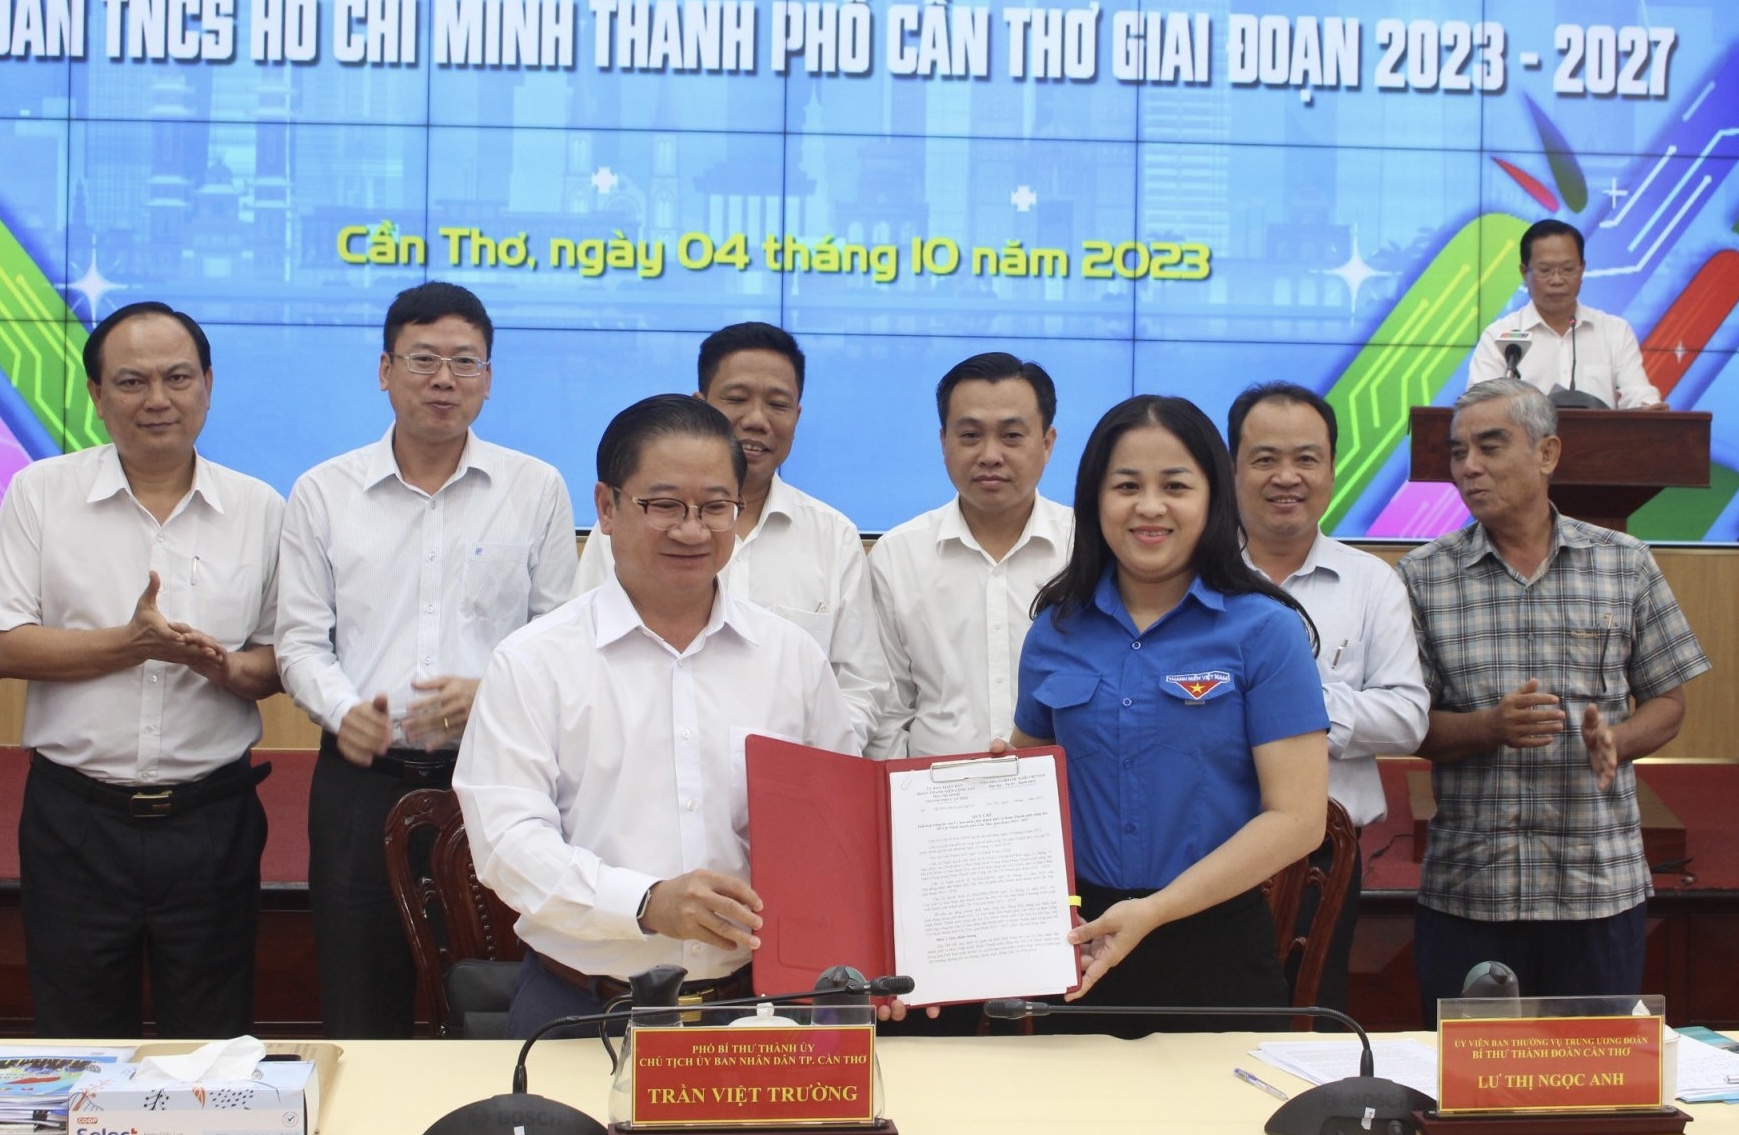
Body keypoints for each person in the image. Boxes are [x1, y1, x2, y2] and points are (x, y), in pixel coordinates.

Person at [454, 395, 859, 1037]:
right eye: (664, 505)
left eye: (715, 507)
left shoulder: (791, 658)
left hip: (754, 1011)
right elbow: (509, 844)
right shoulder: (533, 662)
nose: (692, 531)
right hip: (583, 1011)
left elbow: (838, 831)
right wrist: (645, 903)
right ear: (607, 507)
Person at [276, 281, 576, 1038]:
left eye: (464, 362)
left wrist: (493, 693)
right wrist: (344, 711)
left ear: (488, 378)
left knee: (499, 998)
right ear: (385, 370)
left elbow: (558, 636)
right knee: (359, 998)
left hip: (492, 778)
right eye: (423, 359)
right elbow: (300, 640)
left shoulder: (535, 487)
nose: (445, 379)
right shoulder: (323, 492)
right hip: (361, 783)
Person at [0, 301, 283, 1037]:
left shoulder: (261, 508)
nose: (157, 399)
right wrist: (130, 644)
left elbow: (277, 661)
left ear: (208, 386)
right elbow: (5, 641)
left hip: (212, 821)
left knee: (214, 1047)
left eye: (177, 377)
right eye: (131, 381)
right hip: (76, 822)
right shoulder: (40, 493)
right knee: (80, 1045)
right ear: (97, 395)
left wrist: (221, 666)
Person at [1006, 394, 1329, 1038]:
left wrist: (1156, 910)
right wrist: (997, 782)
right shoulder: (1055, 631)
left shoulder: (1266, 631)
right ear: (1095, 500)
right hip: (1081, 944)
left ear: (1213, 498)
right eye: (1126, 485)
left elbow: (1297, 819)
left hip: (1217, 945)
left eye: (1175, 486)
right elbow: (1029, 782)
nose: (1150, 506)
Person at [1397, 378, 1708, 1026]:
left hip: (1596, 888)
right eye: (1458, 452)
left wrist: (1618, 740)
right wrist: (1488, 727)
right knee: (1471, 1081)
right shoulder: (1423, 575)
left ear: (1546, 453)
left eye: (1489, 446)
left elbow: (1668, 700)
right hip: (1471, 892)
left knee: (1593, 1078)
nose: (1469, 467)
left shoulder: (1624, 562)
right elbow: (1409, 727)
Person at [576, 322, 884, 751]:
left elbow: (861, 685)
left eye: (778, 404)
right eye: (736, 399)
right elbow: (583, 653)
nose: (756, 420)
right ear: (700, 405)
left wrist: (799, 766)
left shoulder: (834, 536)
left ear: (797, 416)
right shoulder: (630, 527)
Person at [1227, 381, 1429, 1012]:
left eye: (1306, 459)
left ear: (1332, 470)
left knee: (1306, 1024)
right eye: (1265, 459)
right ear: (1232, 468)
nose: (1286, 476)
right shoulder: (1195, 579)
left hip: (1321, 860)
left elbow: (1407, 718)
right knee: (1203, 1027)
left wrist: (1287, 704)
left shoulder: (1372, 583)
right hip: (1205, 847)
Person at [867, 352, 1071, 760]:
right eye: (970, 435)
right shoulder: (898, 555)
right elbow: (888, 712)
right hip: (932, 789)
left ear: (1047, 443)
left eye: (1011, 436)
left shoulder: (1084, 548)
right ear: (944, 442)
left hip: (1061, 789)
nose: (990, 454)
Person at [1467, 219, 1666, 410]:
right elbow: (1479, 408)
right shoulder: (1499, 336)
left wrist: (1648, 407)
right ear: (1524, 272)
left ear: (1582, 270)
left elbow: (1637, 394)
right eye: (1545, 270)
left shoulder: (1614, 331)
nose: (1557, 280)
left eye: (1567, 269)